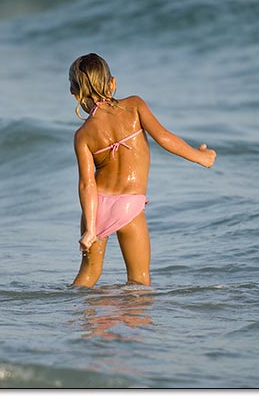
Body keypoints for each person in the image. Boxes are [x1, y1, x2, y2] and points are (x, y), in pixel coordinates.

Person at [69, 53, 216, 288]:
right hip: (129, 205)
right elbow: (165, 138)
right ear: (112, 83)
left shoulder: (83, 135)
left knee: (88, 275)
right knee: (139, 280)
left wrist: (90, 230)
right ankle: (136, 323)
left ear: (75, 93)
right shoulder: (134, 106)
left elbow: (87, 184)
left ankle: (76, 319)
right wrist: (201, 157)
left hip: (97, 207)